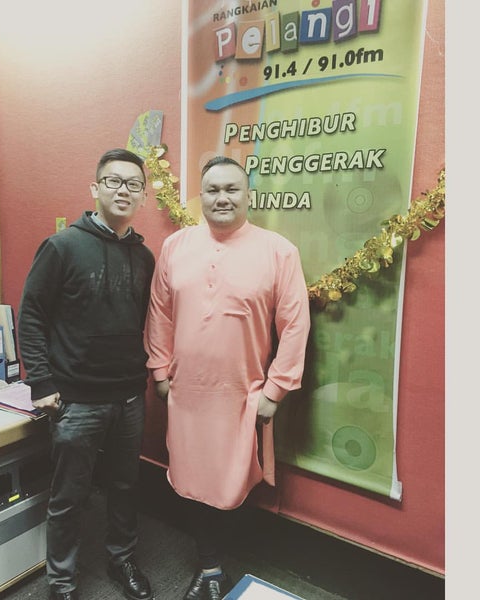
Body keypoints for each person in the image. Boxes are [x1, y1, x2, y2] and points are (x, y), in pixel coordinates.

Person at [144, 156, 311, 600]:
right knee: (191, 480)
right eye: (213, 190)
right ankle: (210, 566)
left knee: (232, 481)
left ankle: (216, 559)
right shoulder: (176, 246)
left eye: (232, 189)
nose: (222, 198)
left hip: (242, 394)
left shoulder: (279, 251)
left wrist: (276, 389)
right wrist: (160, 371)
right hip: (186, 392)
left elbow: (295, 326)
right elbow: (159, 313)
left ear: (248, 195)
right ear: (201, 196)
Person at [18, 148, 155, 600]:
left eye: (133, 184)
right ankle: (61, 582)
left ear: (143, 196)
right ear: (95, 188)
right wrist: (41, 382)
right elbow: (32, 316)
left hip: (129, 397)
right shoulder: (61, 247)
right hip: (76, 400)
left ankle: (122, 559)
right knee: (69, 496)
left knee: (125, 486)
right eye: (113, 181)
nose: (123, 190)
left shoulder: (144, 257)